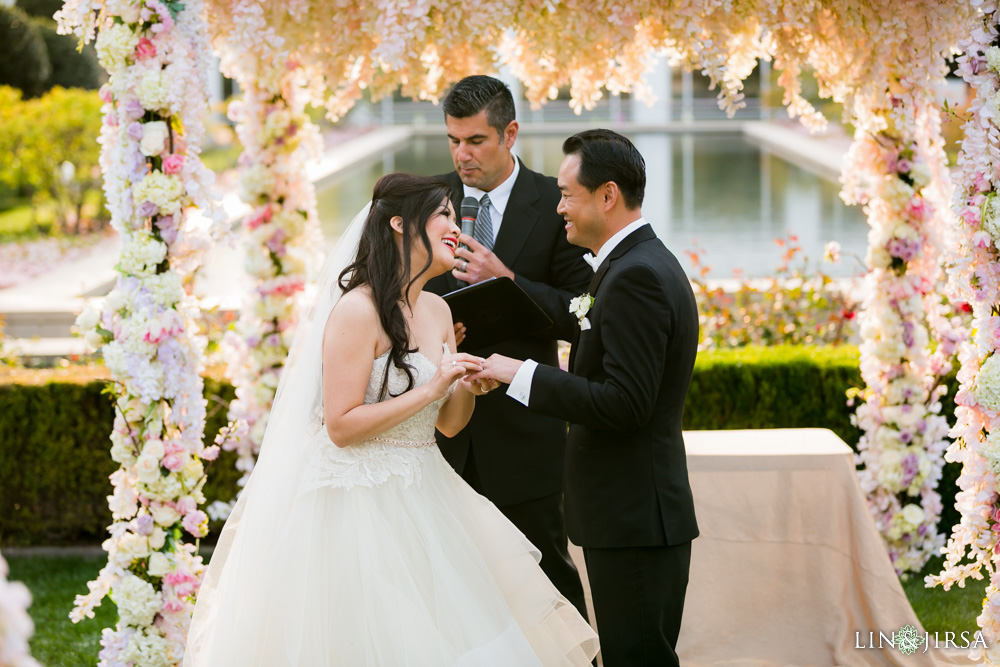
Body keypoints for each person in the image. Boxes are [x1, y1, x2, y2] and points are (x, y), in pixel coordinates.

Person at [184, 173, 598, 666]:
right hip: (354, 503)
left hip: (428, 490)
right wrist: (432, 386)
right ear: (400, 224)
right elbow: (340, 425)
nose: (455, 225)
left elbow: (448, 424)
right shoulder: (357, 311)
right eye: (443, 214)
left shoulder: (440, 311)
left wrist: (462, 386)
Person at [469, 130, 701, 667]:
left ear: (607, 195)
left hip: (634, 515)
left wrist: (519, 373)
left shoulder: (637, 275)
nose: (558, 209)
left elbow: (624, 403)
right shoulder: (631, 264)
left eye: (566, 195)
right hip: (627, 514)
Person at [424, 75, 592, 618]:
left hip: (527, 434)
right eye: (453, 140)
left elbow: (583, 314)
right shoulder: (428, 200)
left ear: (510, 133)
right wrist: (438, 331)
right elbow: (397, 296)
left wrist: (509, 278)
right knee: (452, 590)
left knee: (548, 585)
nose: (461, 154)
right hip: (440, 433)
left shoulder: (556, 202)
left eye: (475, 141)